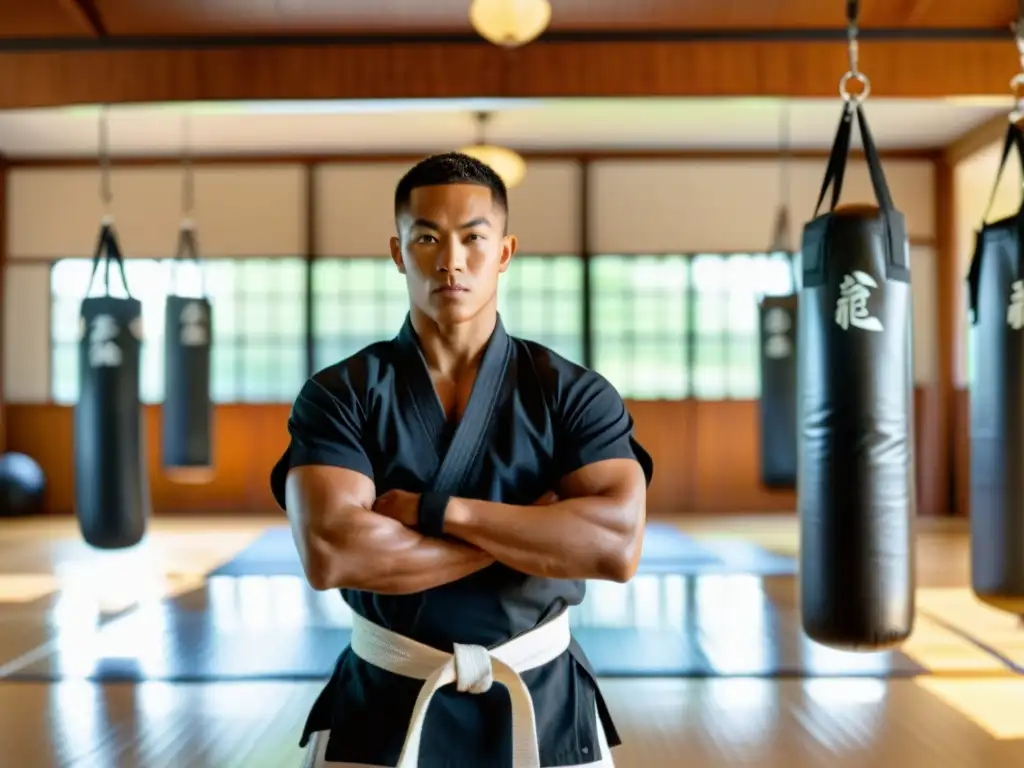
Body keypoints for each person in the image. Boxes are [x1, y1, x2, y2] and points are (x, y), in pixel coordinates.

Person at [271, 152, 654, 768]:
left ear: (503, 252)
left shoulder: (571, 392)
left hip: (543, 700)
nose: (451, 261)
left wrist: (434, 511)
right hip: (384, 702)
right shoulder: (341, 393)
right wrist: (536, 536)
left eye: (474, 238)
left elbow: (613, 547)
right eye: (426, 237)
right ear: (398, 252)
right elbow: (334, 553)